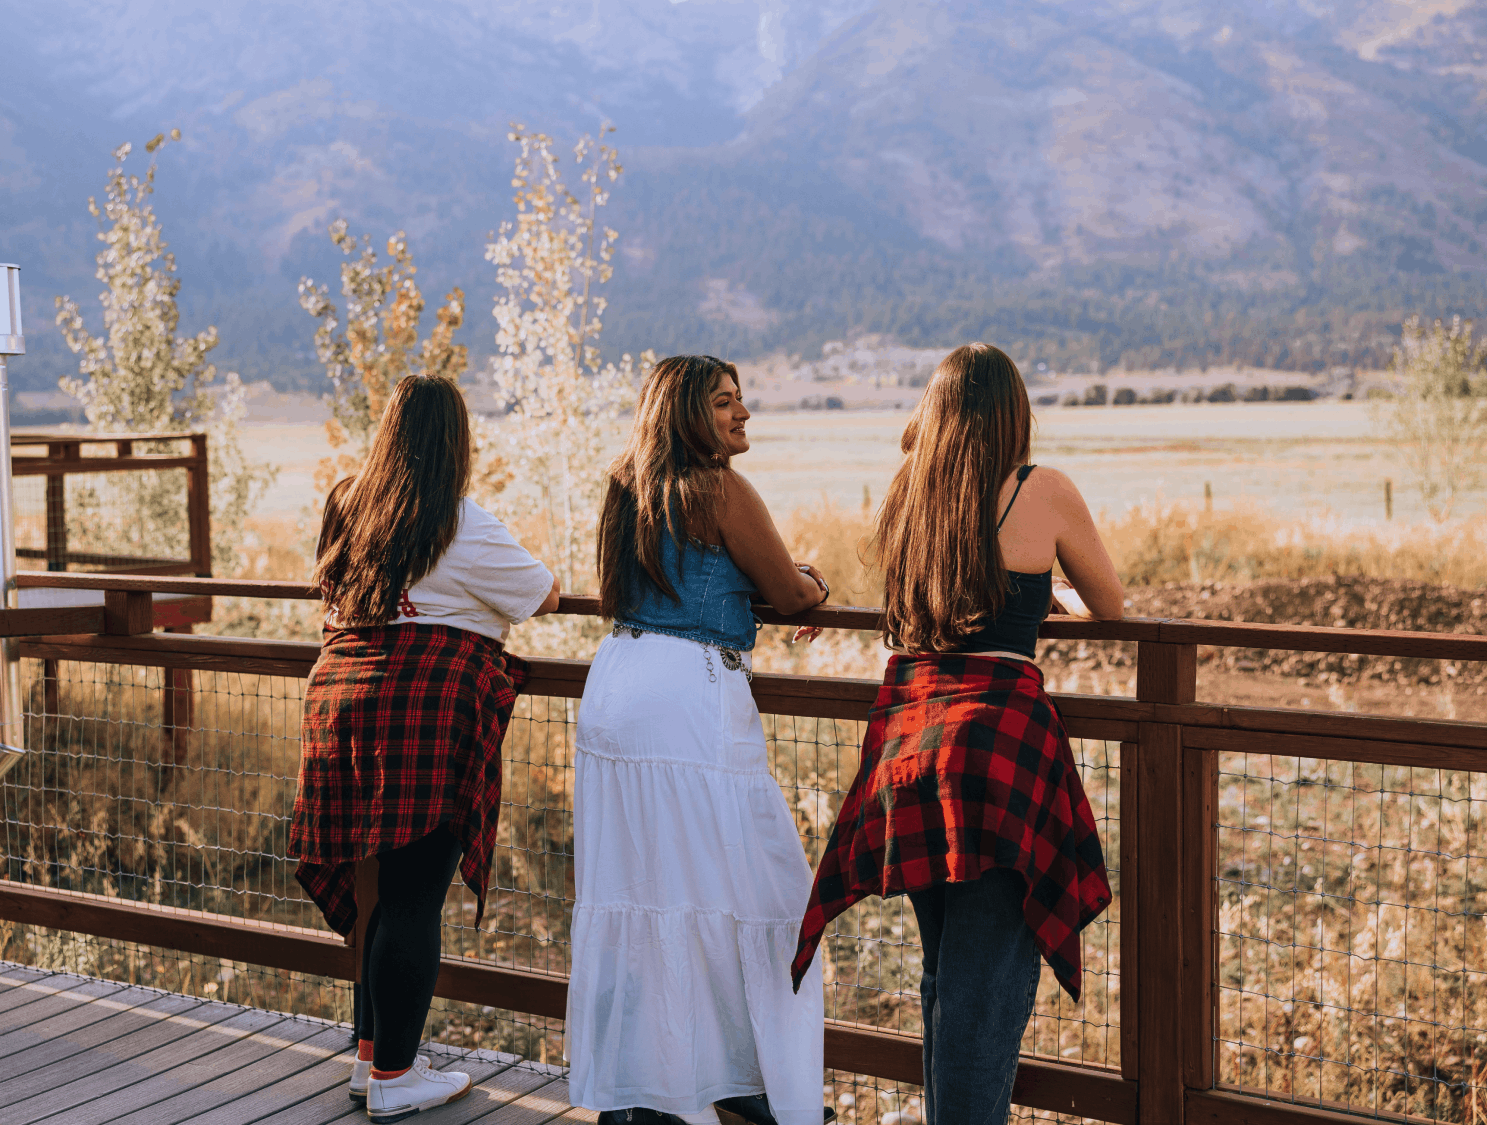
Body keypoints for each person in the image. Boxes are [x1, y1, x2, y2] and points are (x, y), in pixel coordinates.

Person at [790, 343, 1120, 1125]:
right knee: (982, 994)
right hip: (995, 757)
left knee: (942, 980)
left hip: (907, 747)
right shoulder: (1041, 489)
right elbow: (1110, 601)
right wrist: (1049, 595)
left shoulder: (912, 492)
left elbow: (916, 615)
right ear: (1014, 413)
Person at [568, 355, 833, 1125]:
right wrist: (808, 583)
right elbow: (786, 590)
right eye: (724, 403)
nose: (742, 414)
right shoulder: (719, 489)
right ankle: (752, 1086)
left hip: (617, 682)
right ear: (687, 412)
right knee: (762, 891)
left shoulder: (626, 485)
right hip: (688, 697)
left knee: (639, 887)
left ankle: (643, 1090)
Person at [290, 375, 560, 1125]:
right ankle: (396, 1076)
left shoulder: (349, 502)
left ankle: (370, 1059)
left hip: (339, 699)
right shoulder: (462, 522)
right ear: (456, 445)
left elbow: (336, 592)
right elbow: (545, 594)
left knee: (381, 892)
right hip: (423, 708)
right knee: (413, 898)